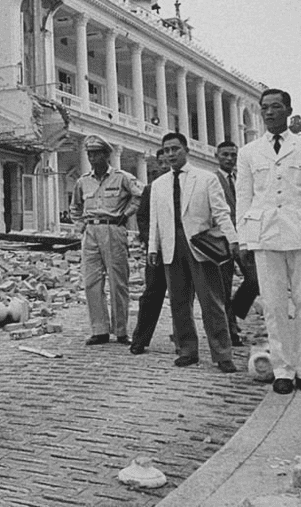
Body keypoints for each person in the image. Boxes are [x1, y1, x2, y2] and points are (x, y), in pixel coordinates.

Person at [237, 89, 301, 395]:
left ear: (288, 110)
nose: (269, 112)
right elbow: (244, 198)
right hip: (265, 235)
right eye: (264, 108)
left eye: (275, 107)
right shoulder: (249, 152)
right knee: (274, 306)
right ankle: (282, 370)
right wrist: (244, 240)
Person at [148, 132, 240, 373]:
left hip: (200, 245)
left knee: (211, 301)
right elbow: (155, 220)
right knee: (179, 302)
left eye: (175, 149)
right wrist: (152, 247)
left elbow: (221, 212)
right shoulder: (158, 185)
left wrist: (232, 239)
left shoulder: (206, 178)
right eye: (166, 150)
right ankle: (187, 349)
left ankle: (222, 354)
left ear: (186, 150)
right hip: (171, 245)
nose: (170, 154)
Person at [70, 134, 143, 345]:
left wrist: (127, 214)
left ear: (106, 155)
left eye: (96, 153)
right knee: (92, 281)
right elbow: (75, 206)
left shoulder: (122, 178)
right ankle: (99, 330)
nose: (92, 158)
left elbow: (139, 195)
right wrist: (80, 225)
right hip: (91, 231)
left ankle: (121, 330)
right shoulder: (83, 181)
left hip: (113, 229)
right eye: (89, 154)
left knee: (117, 281)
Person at [213, 140, 259, 346]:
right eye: (225, 155)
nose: (229, 159)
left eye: (233, 155)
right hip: (221, 240)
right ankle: (230, 331)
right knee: (223, 286)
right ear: (217, 156)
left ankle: (235, 310)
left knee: (255, 279)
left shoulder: (242, 180)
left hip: (245, 239)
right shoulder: (211, 180)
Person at [129, 148, 171, 355]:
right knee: (151, 295)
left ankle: (183, 338)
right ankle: (140, 339)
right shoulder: (151, 188)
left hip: (181, 250)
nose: (165, 167)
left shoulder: (188, 185)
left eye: (168, 162)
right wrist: (151, 242)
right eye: (161, 163)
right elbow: (142, 218)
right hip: (157, 251)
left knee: (183, 296)